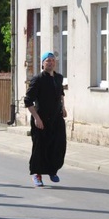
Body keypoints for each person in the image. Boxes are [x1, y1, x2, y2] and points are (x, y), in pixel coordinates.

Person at [24, 51, 67, 187]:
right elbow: (28, 100)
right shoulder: (38, 79)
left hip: (56, 118)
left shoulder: (59, 78)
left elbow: (61, 94)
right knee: (40, 148)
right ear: (42, 63)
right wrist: (37, 118)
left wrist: (63, 108)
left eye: (52, 60)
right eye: (47, 60)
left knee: (58, 146)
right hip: (41, 119)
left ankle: (52, 171)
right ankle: (37, 174)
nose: (51, 63)